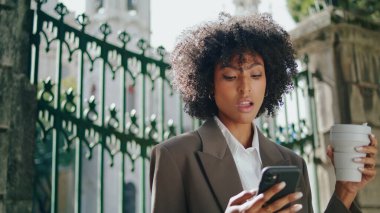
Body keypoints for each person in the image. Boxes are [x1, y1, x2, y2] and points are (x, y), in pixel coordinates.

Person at [149, 13, 377, 213]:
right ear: (209, 84)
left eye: (256, 75)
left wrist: (345, 191)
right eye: (230, 77)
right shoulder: (175, 157)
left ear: (269, 80)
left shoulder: (292, 163)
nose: (245, 88)